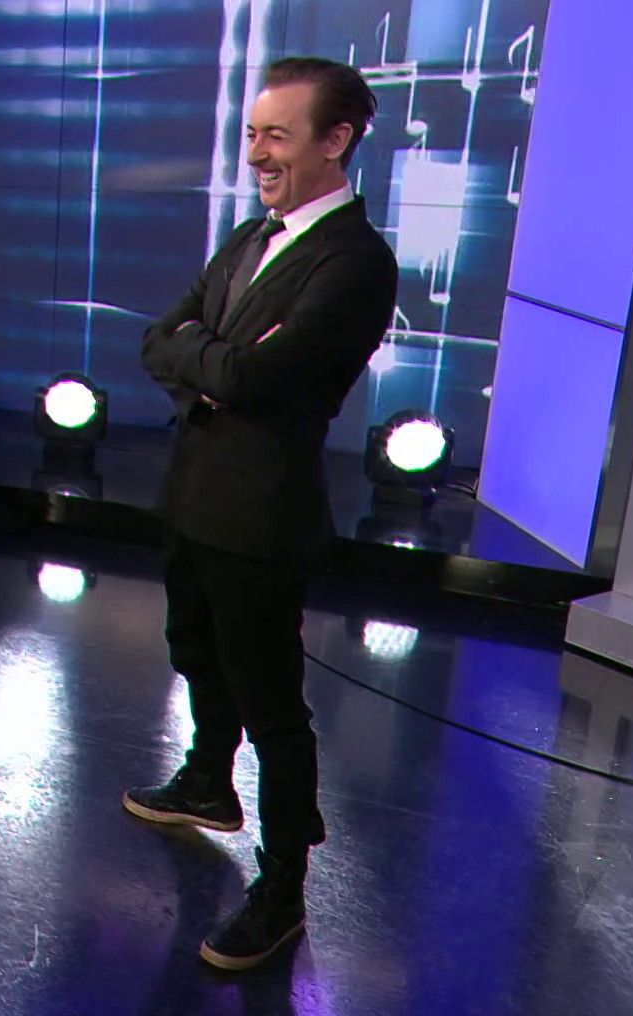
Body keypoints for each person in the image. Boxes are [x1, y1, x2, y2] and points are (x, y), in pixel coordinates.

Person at [130, 56, 397, 970]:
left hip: (261, 517)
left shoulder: (356, 261)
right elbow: (158, 339)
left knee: (273, 706)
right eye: (252, 134)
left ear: (337, 140)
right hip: (193, 495)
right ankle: (208, 780)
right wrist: (212, 365)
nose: (256, 154)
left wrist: (208, 361)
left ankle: (281, 888)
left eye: (276, 136)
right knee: (194, 651)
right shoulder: (251, 237)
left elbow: (254, 376)